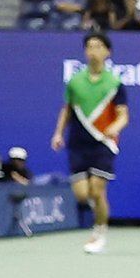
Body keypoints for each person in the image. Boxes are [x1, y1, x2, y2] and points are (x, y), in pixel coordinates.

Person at [49, 30, 128, 254]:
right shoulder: (75, 82)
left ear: (107, 52)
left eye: (98, 47)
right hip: (78, 143)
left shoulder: (115, 83)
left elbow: (123, 115)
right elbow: (67, 111)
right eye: (90, 47)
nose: (93, 51)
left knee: (97, 189)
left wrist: (115, 127)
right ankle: (98, 213)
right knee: (83, 194)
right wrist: (58, 134)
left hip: (103, 143)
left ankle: (99, 232)